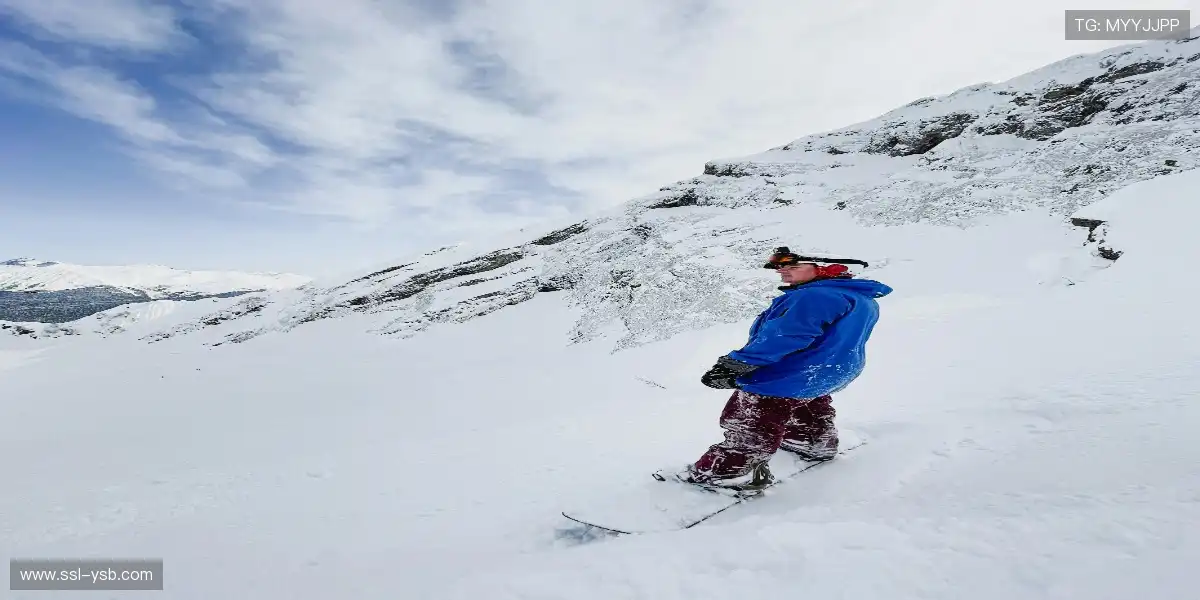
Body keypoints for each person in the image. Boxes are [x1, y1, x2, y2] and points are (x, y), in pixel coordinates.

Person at [679, 246, 893, 491]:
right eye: (781, 266)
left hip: (789, 373)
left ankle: (725, 472)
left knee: (752, 420)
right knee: (808, 404)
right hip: (829, 371)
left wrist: (736, 364)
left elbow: (784, 336)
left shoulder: (814, 297)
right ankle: (812, 442)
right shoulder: (860, 298)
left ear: (828, 268)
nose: (782, 271)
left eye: (793, 266)